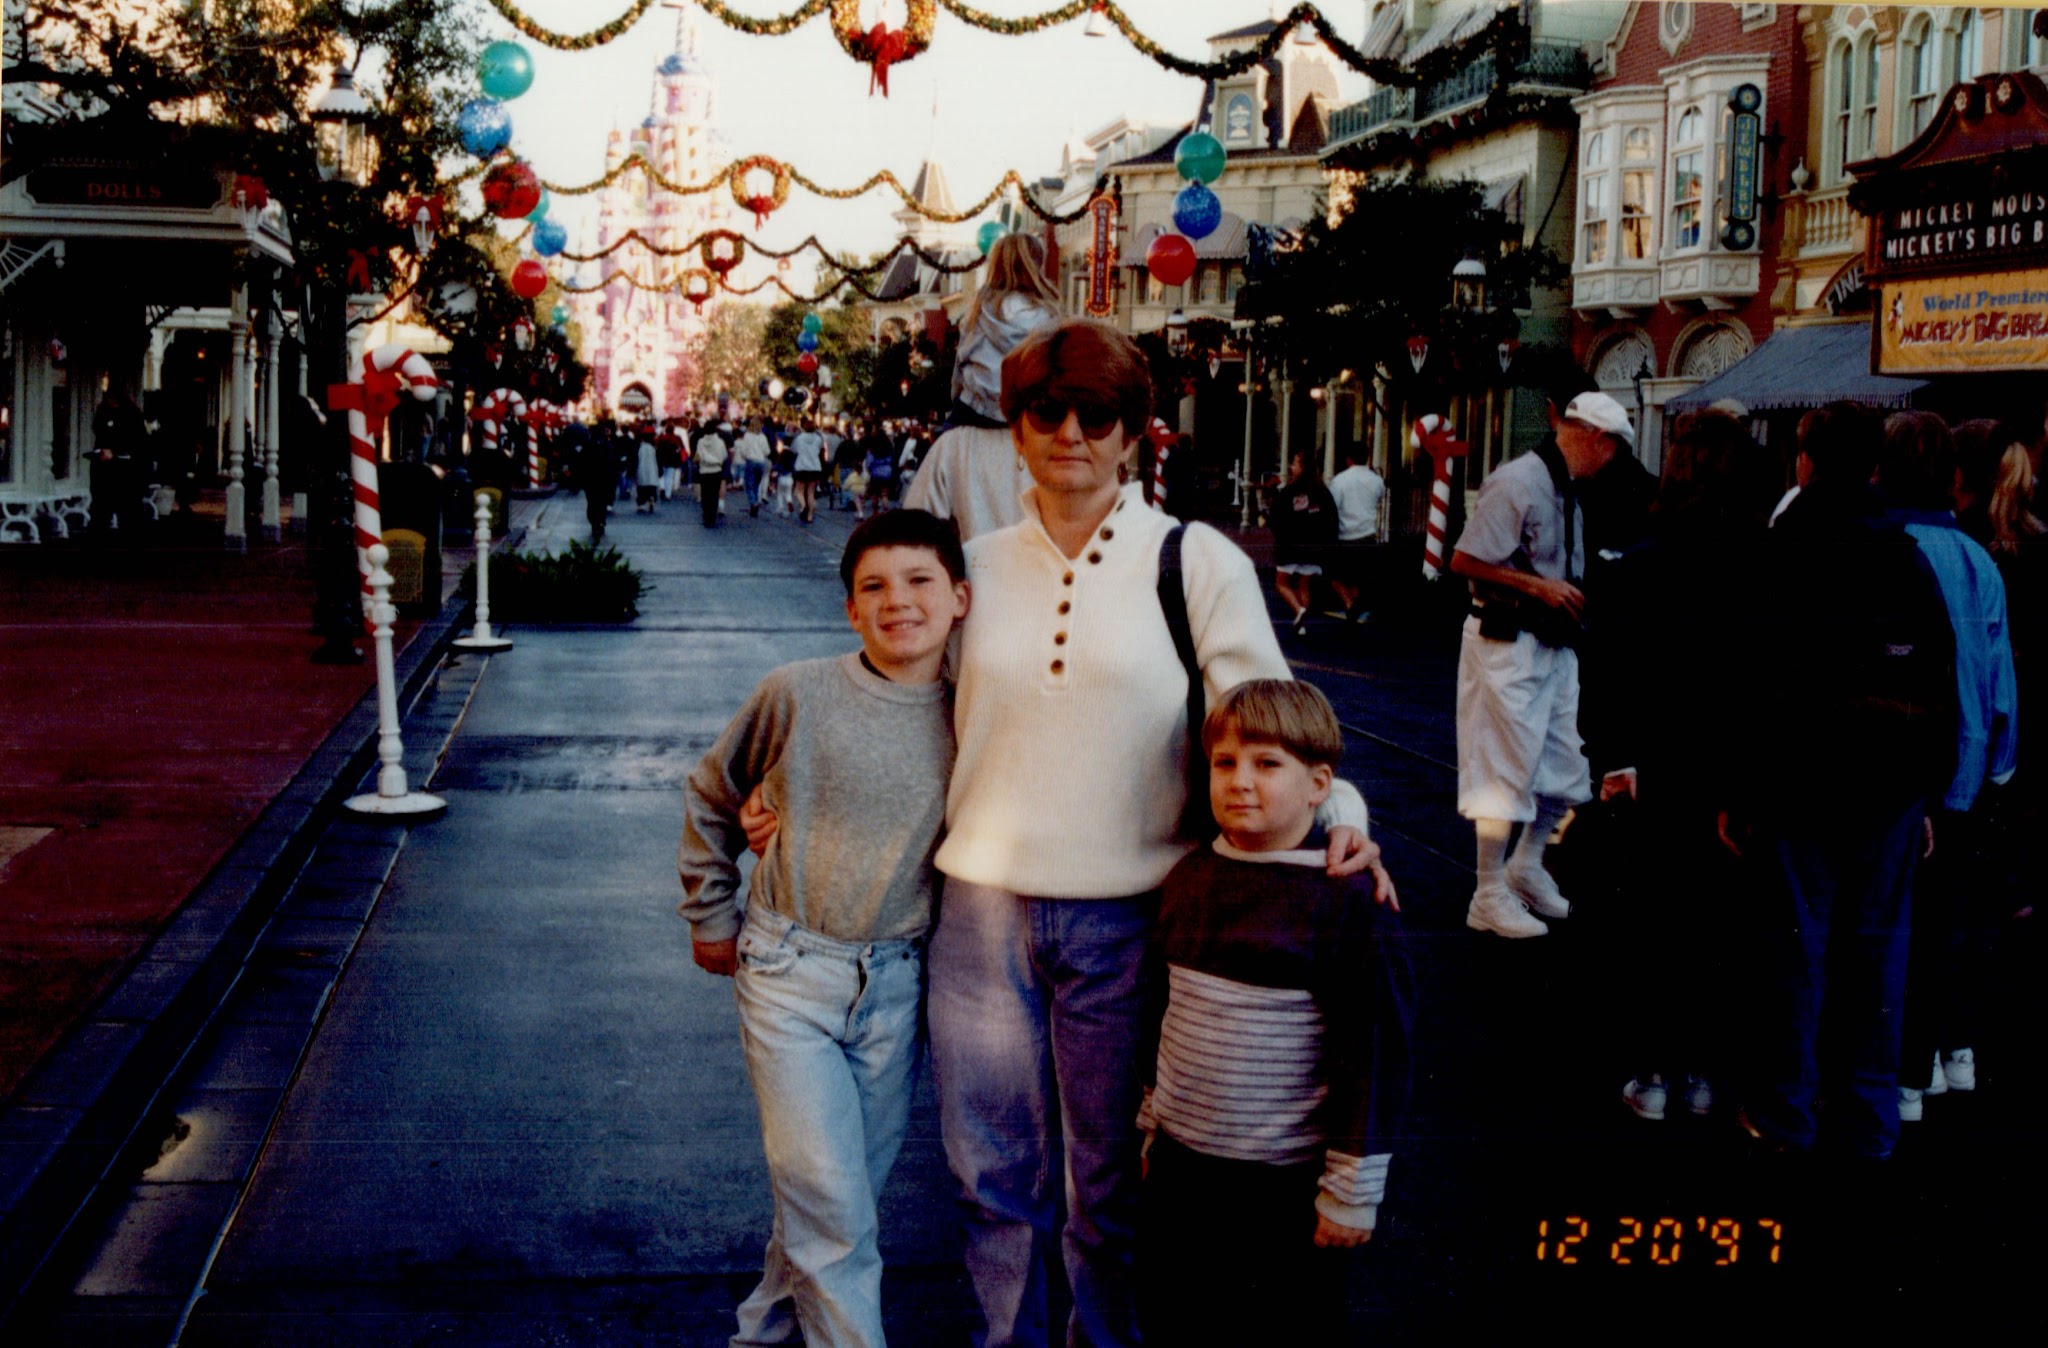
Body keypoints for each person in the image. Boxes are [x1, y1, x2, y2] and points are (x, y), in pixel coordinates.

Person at [901, 320, 1385, 1348]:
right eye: (1046, 412)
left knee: (1106, 1180)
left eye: (1097, 414)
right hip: (981, 915)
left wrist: (1339, 818)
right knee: (989, 1174)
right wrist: (787, 798)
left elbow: (1269, 714)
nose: (1069, 433)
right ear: (1015, 427)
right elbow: (902, 713)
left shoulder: (1193, 559)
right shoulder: (971, 568)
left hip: (1131, 914)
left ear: (1132, 434)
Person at [678, 509, 971, 1348]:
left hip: (897, 984)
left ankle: (763, 1335)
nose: (897, 601)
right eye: (873, 587)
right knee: (833, 1212)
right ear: (849, 609)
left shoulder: (976, 715)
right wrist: (711, 907)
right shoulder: (797, 692)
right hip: (789, 971)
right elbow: (714, 791)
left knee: (834, 1203)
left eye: (919, 581)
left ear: (960, 597)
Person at [1136, 680, 1412, 1346]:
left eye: (1267, 763)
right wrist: (1152, 1123)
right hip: (1183, 1174)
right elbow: (1160, 1019)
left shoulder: (1347, 901)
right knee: (1176, 1323)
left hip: (1285, 1187)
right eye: (1225, 763)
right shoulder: (1189, 880)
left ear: (1319, 785)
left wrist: (1350, 1189)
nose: (1240, 781)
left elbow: (1376, 1054)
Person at [1724, 402, 1956, 1162]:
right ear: (1875, 465)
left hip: (1799, 781)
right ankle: (1869, 1116)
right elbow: (1939, 680)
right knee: (1879, 952)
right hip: (1889, 784)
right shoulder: (1903, 555)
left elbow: (1748, 684)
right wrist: (1928, 789)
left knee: (1797, 947)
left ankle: (1786, 1109)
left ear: (1806, 460)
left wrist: (1741, 790)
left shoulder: (1780, 550)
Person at [1588, 409, 1779, 1120]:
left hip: (1655, 768)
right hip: (1729, 772)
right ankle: (1701, 1071)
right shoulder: (1763, 564)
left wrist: (1614, 759)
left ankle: (1652, 1073)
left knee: (1651, 922)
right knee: (1719, 926)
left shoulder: (1640, 563)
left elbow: (1606, 676)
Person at [1877, 412, 2017, 1121]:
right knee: (1940, 921)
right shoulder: (1976, 562)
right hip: (1962, 771)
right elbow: (1999, 682)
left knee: (1882, 923)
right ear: (1953, 479)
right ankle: (1929, 1061)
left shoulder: (1882, 549)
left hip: (1887, 768)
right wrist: (1998, 768)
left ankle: (1900, 1070)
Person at [1449, 392, 1627, 938]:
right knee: (1504, 767)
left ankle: (1524, 866)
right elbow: (1465, 560)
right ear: (1598, 439)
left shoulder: (1564, 488)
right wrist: (1537, 586)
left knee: (1564, 764)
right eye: (1614, 448)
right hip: (1507, 640)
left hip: (1552, 643)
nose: (1612, 460)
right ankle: (1487, 891)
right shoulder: (1518, 481)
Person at [904, 233, 1062, 541]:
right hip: (1034, 423)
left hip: (975, 415)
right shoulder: (1051, 316)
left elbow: (917, 526)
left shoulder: (979, 312)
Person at [1270, 450, 1338, 636]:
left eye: (1294, 464)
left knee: (1281, 583)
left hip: (1290, 546)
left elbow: (1276, 517)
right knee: (1303, 584)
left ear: (1302, 467)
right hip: (1313, 547)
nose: (1291, 467)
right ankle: (1302, 625)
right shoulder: (1322, 491)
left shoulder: (1289, 491)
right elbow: (1331, 518)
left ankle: (1299, 610)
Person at [1326, 444, 1385, 621]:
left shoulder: (1339, 481)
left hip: (1346, 536)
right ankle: (1353, 606)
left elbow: (1333, 508)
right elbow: (1379, 497)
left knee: (1332, 574)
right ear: (1367, 458)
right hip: (1367, 536)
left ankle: (1349, 603)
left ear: (1348, 459)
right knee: (1358, 577)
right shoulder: (1376, 480)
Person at [577, 424, 617, 544]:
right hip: (604, 480)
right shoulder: (607, 445)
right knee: (602, 502)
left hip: (590, 480)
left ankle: (594, 522)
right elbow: (612, 463)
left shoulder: (587, 446)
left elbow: (581, 462)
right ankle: (601, 521)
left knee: (592, 502)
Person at [694, 419, 732, 529]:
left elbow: (698, 455)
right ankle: (712, 517)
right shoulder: (720, 442)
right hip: (716, 470)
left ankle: (706, 516)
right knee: (714, 494)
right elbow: (724, 455)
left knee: (705, 494)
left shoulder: (701, 441)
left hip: (704, 470)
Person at [856, 421, 896, 521]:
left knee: (875, 494)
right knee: (884, 494)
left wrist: (868, 470)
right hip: (886, 473)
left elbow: (869, 462)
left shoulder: (873, 449)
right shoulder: (889, 448)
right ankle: (886, 511)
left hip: (875, 473)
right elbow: (892, 460)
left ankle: (875, 513)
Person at [735, 417, 771, 517]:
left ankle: (753, 502)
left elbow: (743, 450)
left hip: (751, 461)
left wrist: (745, 456)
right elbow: (767, 451)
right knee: (756, 484)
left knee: (749, 484)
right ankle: (754, 504)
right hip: (761, 462)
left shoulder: (747, 436)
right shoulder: (763, 437)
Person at [790, 419, 825, 523]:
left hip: (801, 466)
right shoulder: (818, 439)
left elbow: (794, 450)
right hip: (814, 467)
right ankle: (810, 516)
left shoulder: (799, 438)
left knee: (799, 490)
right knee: (811, 493)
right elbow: (821, 449)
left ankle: (803, 505)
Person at [634, 427, 660, 513]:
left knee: (642, 488)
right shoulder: (653, 448)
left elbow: (635, 459)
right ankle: (651, 498)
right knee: (651, 487)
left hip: (641, 469)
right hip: (652, 470)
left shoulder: (639, 447)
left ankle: (641, 504)